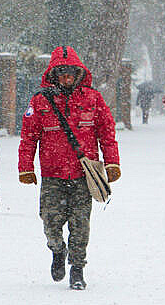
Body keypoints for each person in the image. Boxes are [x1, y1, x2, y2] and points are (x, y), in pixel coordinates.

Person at [18, 46, 120, 291]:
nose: (67, 78)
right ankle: (57, 250)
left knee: (80, 224)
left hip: (83, 175)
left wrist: (112, 162)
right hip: (52, 174)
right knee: (50, 222)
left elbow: (106, 132)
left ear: (78, 74)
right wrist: (26, 167)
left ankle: (77, 268)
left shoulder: (93, 99)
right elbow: (28, 136)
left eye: (71, 73)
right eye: (62, 74)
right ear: (54, 75)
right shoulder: (40, 101)